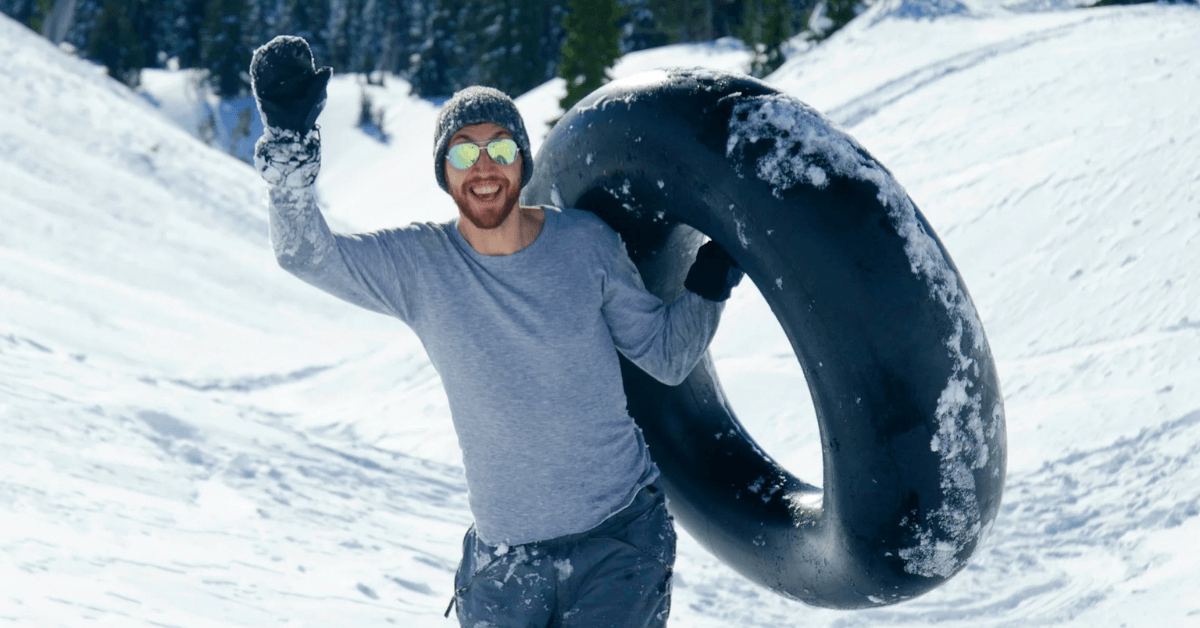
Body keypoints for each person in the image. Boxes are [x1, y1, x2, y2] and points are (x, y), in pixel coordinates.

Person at [249, 36, 743, 628]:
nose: (483, 168)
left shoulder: (585, 243)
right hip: (505, 566)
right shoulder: (420, 264)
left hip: (619, 542)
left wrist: (708, 285)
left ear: (523, 161)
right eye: (463, 153)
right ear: (444, 171)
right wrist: (289, 153)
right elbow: (304, 253)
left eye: (500, 148)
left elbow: (665, 356)